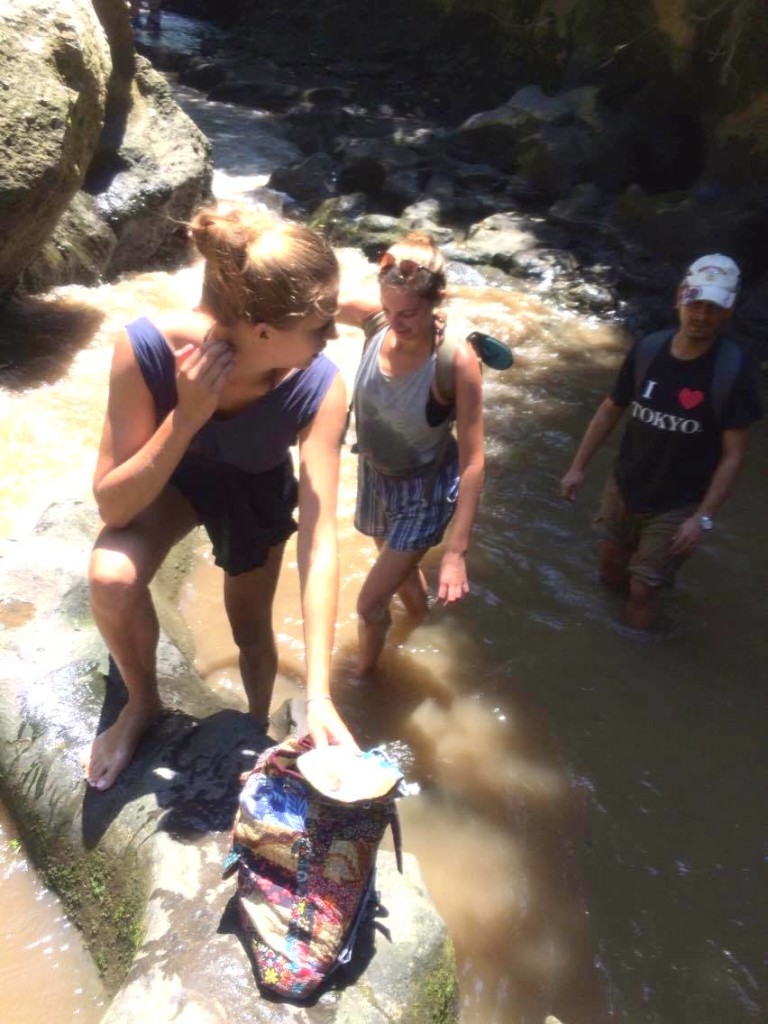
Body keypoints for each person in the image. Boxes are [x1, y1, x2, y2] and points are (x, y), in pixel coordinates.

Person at [86, 205, 355, 791]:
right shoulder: (147, 349)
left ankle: (256, 726)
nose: (333, 336)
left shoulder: (319, 386)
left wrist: (319, 694)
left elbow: (322, 540)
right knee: (110, 577)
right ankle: (142, 704)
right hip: (174, 478)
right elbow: (112, 507)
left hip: (254, 486)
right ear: (264, 332)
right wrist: (185, 418)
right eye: (321, 325)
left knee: (250, 628)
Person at [561, 253, 762, 629]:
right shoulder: (649, 350)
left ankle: (634, 655)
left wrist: (702, 519)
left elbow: (734, 456)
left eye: (713, 307)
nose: (701, 315)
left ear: (728, 310)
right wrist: (577, 467)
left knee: (642, 590)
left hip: (679, 503)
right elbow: (611, 408)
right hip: (625, 484)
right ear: (679, 297)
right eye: (695, 302)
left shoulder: (733, 372)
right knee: (608, 569)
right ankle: (609, 641)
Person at [338, 233, 485, 672]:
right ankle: (421, 621)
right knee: (398, 579)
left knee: (368, 605)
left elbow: (474, 460)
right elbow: (313, 300)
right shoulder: (376, 324)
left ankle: (366, 682)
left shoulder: (455, 362)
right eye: (387, 310)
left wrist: (457, 552)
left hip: (423, 492)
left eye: (409, 314)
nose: (395, 324)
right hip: (375, 475)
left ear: (437, 301)